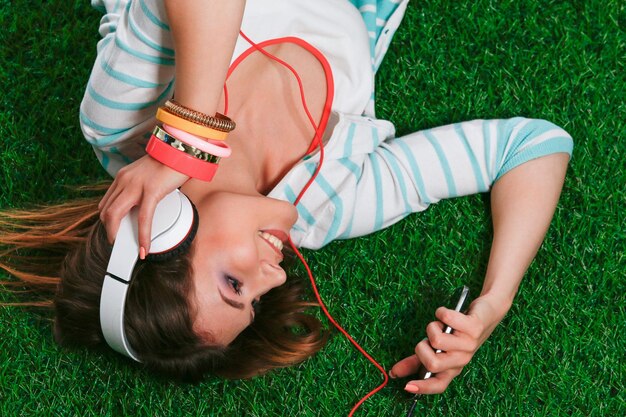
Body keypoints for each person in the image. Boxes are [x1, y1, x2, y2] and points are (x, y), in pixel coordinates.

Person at [0, 0, 572, 396]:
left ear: (164, 227)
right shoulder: (327, 203)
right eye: (252, 302)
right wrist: (494, 302)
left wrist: (186, 138)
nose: (273, 278)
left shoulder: (125, 121)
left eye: (233, 284)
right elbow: (531, 146)